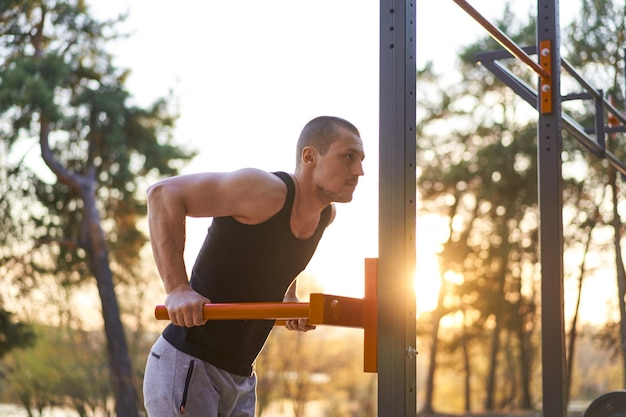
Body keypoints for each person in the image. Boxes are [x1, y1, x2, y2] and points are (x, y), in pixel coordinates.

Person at [143, 116, 365, 417]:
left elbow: (282, 253)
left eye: (360, 160)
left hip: (242, 377)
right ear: (310, 157)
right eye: (348, 157)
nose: (359, 171)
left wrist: (288, 298)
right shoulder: (263, 191)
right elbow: (163, 194)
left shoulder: (325, 216)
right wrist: (178, 288)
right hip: (189, 363)